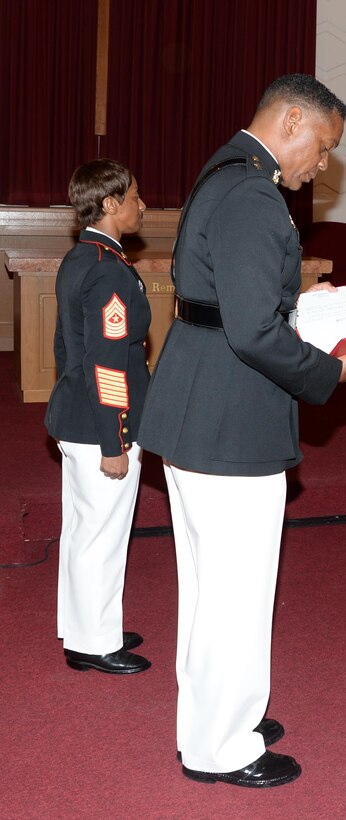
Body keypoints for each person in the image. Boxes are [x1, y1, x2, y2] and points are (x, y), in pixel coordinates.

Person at [138, 74, 346, 788]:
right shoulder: (253, 193)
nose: (324, 165)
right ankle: (225, 744)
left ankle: (209, 718)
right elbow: (250, 330)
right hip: (231, 416)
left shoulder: (223, 171)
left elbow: (227, 299)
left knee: (210, 586)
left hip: (198, 406)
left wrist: (297, 300)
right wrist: (327, 374)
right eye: (325, 146)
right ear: (292, 119)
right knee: (238, 590)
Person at [45, 159, 151, 675]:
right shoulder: (107, 268)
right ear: (110, 205)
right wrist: (116, 441)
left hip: (77, 417)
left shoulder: (81, 256)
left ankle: (86, 626)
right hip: (101, 427)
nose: (142, 205)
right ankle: (94, 642)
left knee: (83, 531)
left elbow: (68, 349)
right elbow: (107, 364)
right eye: (134, 197)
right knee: (102, 535)